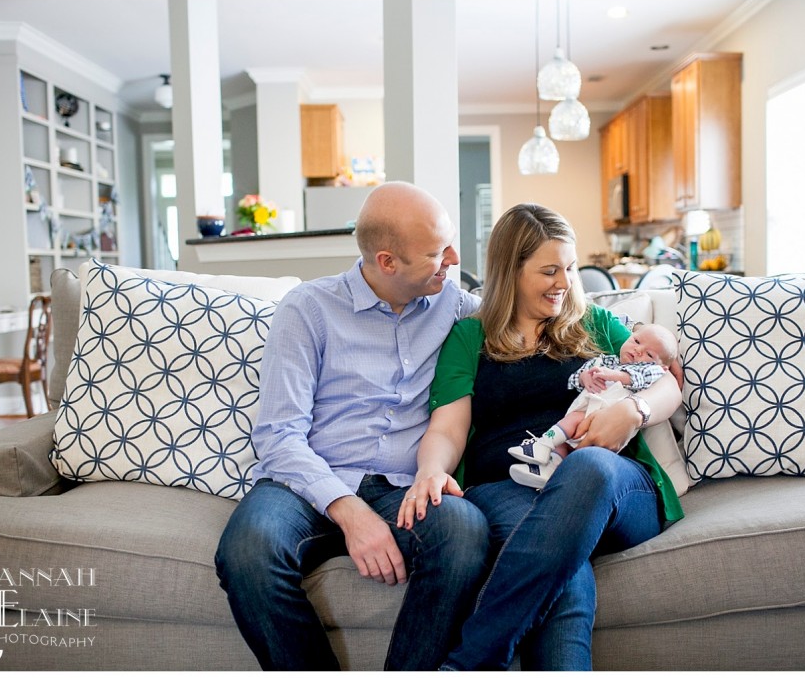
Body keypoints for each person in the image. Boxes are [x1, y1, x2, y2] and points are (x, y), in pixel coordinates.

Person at [214, 181, 490, 671]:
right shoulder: (308, 309)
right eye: (436, 251)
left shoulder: (454, 304)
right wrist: (350, 512)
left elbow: (530, 319)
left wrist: (643, 346)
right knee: (247, 552)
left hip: (404, 486)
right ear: (388, 262)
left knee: (464, 533)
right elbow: (278, 435)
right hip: (308, 481)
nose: (453, 258)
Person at [397, 203, 685, 670]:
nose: (565, 282)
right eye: (549, 270)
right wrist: (430, 471)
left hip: (611, 488)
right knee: (564, 577)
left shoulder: (593, 323)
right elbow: (447, 427)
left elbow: (666, 380)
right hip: (508, 486)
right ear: (510, 272)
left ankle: (470, 662)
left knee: (585, 467)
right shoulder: (470, 338)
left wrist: (634, 411)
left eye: (570, 268)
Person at [508, 323, 679, 488]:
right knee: (563, 444)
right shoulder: (606, 360)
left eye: (649, 354)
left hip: (603, 420)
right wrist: (585, 377)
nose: (638, 350)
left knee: (573, 425)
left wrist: (612, 375)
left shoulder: (650, 371)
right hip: (585, 408)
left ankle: (542, 445)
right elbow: (575, 379)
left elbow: (636, 378)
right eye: (636, 341)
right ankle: (548, 472)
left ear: (662, 367)